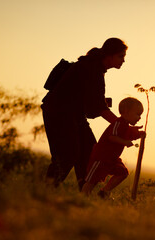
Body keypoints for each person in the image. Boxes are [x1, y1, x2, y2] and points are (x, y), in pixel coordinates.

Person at [41, 38, 128, 190]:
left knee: (90, 153)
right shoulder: (92, 69)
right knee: (67, 155)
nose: (123, 60)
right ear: (110, 55)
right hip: (59, 114)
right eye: (121, 56)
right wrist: (124, 128)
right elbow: (99, 108)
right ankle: (46, 192)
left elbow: (93, 103)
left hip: (74, 116)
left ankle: (84, 194)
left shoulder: (95, 67)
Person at [82, 97, 146, 198]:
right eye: (137, 114)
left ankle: (104, 192)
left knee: (122, 172)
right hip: (101, 157)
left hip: (112, 159)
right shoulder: (118, 123)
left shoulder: (125, 126)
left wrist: (139, 134)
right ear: (126, 112)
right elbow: (111, 137)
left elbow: (129, 134)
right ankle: (82, 198)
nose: (139, 118)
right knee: (92, 181)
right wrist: (124, 142)